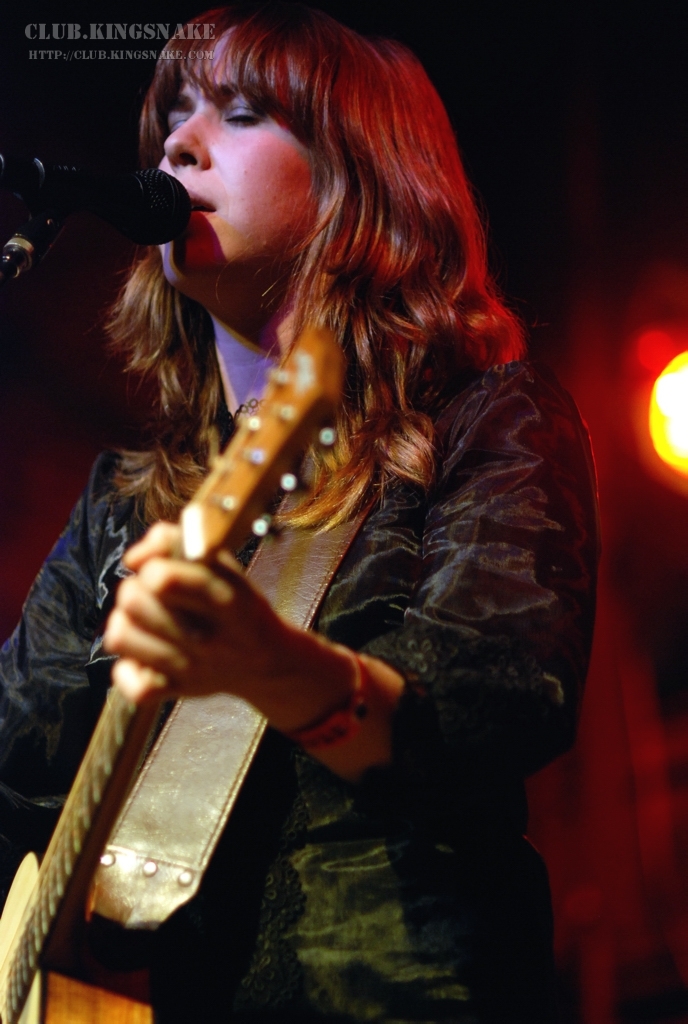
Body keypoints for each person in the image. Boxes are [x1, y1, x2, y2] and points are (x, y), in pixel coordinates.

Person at [0, 3, 599, 1021]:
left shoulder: (486, 421)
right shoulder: (123, 505)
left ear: (355, 178)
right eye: (174, 115)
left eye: (239, 113)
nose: (180, 142)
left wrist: (274, 666)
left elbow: (499, 700)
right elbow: (16, 772)